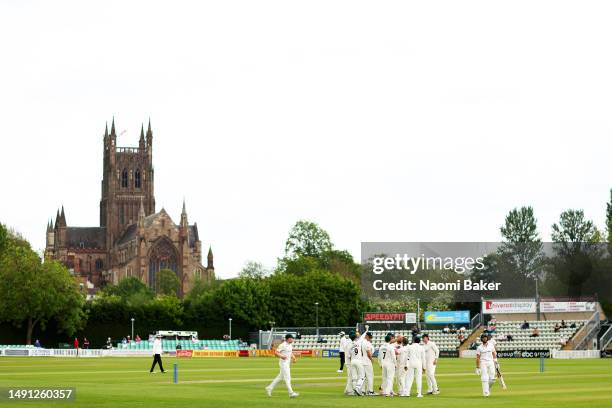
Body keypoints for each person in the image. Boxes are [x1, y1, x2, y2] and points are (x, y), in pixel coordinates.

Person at [265, 334, 299, 398]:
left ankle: (269, 387)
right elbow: (276, 352)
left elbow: (290, 352)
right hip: (283, 363)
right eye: (292, 338)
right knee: (287, 378)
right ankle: (291, 393)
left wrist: (294, 358)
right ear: (288, 339)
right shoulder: (282, 345)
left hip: (287, 363)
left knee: (280, 377)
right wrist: (281, 356)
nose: (293, 339)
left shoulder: (290, 345)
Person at [350, 331, 367, 396]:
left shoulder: (350, 345)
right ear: (356, 338)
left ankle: (355, 391)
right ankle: (357, 388)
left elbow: (349, 354)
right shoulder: (358, 342)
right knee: (362, 376)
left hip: (352, 361)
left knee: (354, 377)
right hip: (358, 361)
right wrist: (366, 331)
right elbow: (362, 337)